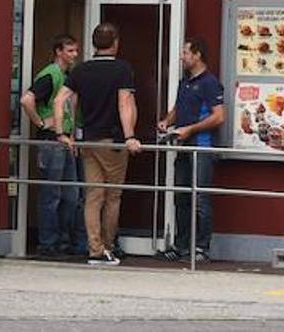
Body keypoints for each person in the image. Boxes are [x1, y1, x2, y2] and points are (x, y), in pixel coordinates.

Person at [55, 22, 142, 266]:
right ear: (115, 43)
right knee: (113, 196)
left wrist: (63, 133)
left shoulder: (81, 70)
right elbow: (124, 102)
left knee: (93, 196)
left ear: (94, 43)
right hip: (113, 141)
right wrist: (130, 137)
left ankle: (94, 249)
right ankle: (107, 246)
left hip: (88, 139)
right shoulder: (122, 69)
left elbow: (60, 100)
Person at [157, 38, 226, 263]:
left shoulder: (210, 83)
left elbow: (219, 116)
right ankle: (182, 244)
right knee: (181, 198)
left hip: (202, 146)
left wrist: (190, 129)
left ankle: (201, 247)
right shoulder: (185, 82)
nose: (182, 57)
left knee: (200, 199)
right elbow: (178, 107)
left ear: (197, 55)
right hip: (184, 145)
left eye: (186, 52)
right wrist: (167, 122)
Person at [19, 34, 86, 257]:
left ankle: (63, 240)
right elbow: (27, 99)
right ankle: (48, 243)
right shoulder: (50, 75)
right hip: (51, 140)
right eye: (70, 51)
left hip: (65, 139)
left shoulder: (67, 76)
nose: (74, 55)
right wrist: (40, 122)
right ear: (58, 52)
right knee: (52, 194)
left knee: (71, 195)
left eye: (76, 51)